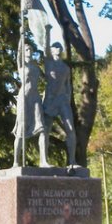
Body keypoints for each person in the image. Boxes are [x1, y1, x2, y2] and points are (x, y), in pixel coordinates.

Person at [41, 33, 77, 167]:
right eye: (55, 47)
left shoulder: (66, 68)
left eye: (59, 47)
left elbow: (68, 85)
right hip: (50, 100)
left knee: (70, 128)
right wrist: (47, 32)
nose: (58, 48)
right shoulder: (48, 63)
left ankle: (72, 161)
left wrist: (67, 97)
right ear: (51, 50)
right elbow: (45, 47)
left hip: (62, 100)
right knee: (45, 130)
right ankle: (43, 160)